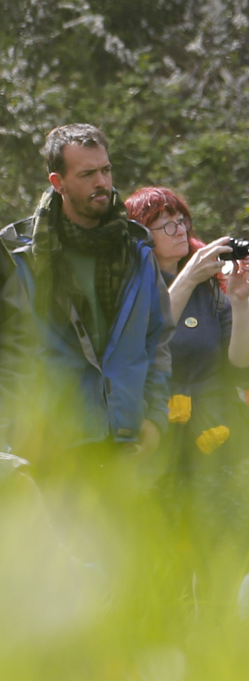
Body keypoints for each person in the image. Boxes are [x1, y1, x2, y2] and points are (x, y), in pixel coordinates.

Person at [1, 125, 170, 470]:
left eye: (106, 170)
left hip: (125, 444)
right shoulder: (17, 258)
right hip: (46, 448)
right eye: (88, 174)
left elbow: (158, 341)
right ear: (57, 182)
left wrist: (154, 417)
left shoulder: (137, 254)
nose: (102, 184)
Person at [125, 187, 249, 538]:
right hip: (158, 445)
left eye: (181, 221)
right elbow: (146, 338)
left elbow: (244, 364)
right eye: (166, 226)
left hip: (217, 442)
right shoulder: (132, 288)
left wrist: (240, 302)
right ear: (142, 236)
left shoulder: (210, 289)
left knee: (223, 557)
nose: (180, 231)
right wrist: (188, 277)